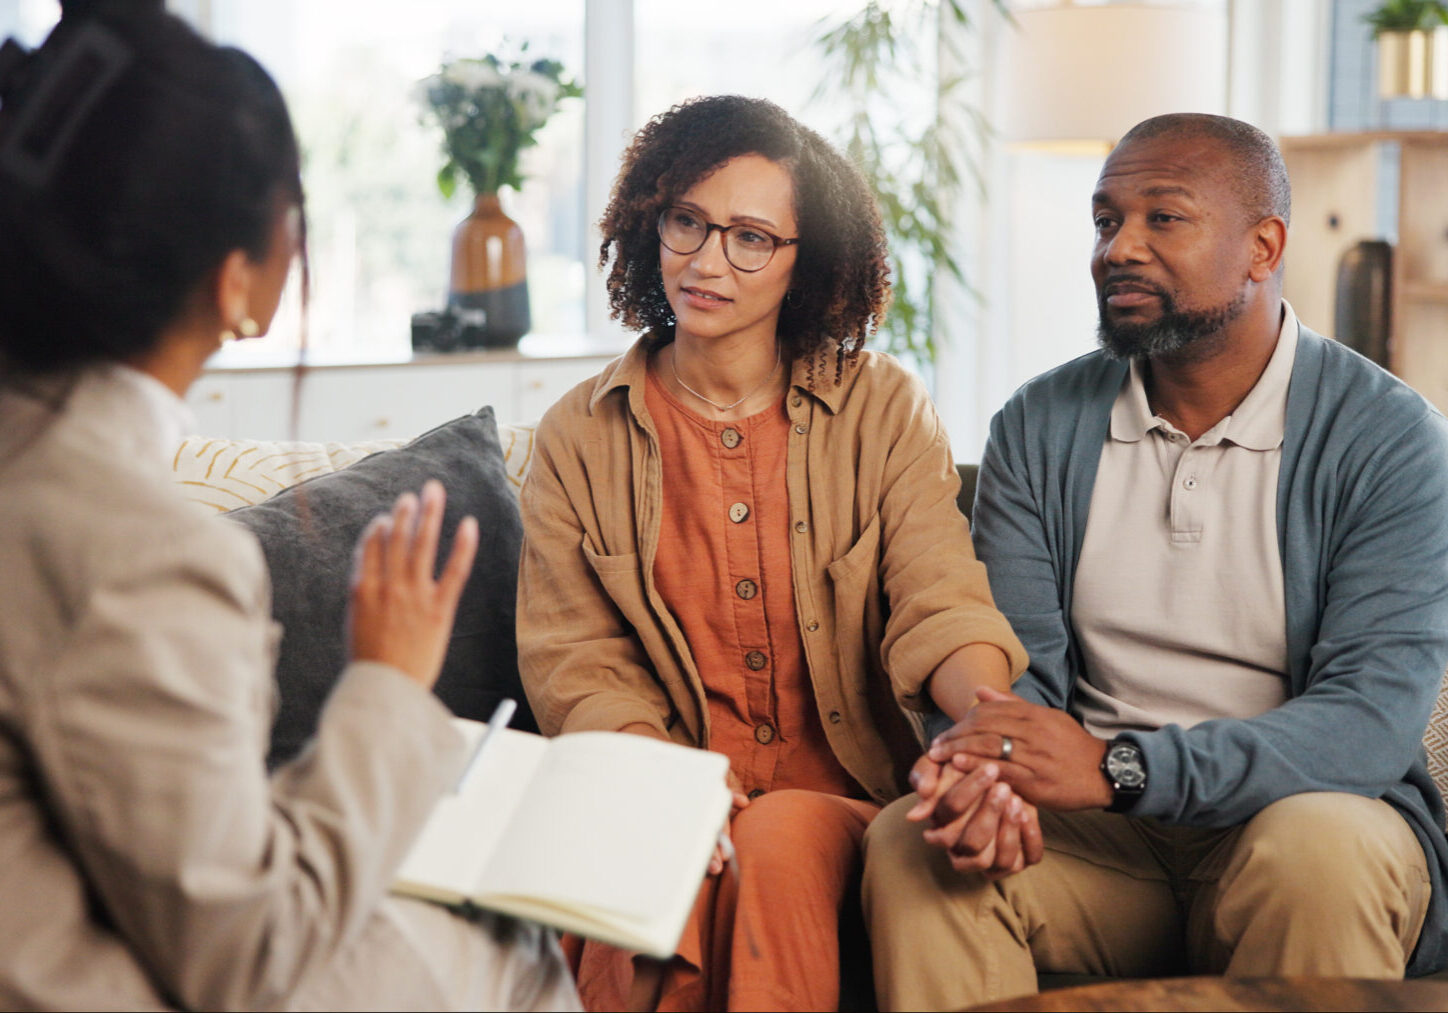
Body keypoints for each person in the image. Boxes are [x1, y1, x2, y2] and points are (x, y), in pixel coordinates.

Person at [0, 3, 580, 1009]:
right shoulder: (143, 551)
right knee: (512, 957)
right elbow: (251, 954)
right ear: (242, 283)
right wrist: (390, 681)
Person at [860, 112, 1448, 1010]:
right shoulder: (1039, 425)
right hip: (1094, 847)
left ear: (1263, 246)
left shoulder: (1391, 438)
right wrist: (986, 774)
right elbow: (1012, 673)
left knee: (1319, 850)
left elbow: (1367, 724)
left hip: (1294, 820)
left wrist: (1119, 766)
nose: (1118, 248)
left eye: (1162, 218)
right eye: (1105, 222)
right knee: (916, 841)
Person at [515, 94, 1027, 1012]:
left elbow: (939, 601)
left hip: (841, 797)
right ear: (650, 223)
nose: (708, 262)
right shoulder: (578, 435)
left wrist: (987, 729)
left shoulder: (883, 408)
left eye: (751, 237)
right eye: (687, 223)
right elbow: (575, 664)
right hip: (659, 773)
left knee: (781, 833)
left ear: (807, 261)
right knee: (648, 854)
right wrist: (667, 786)